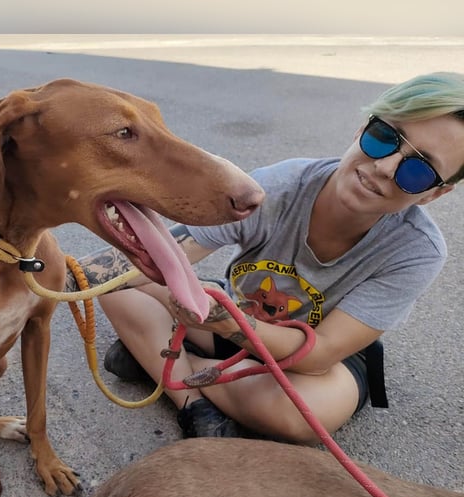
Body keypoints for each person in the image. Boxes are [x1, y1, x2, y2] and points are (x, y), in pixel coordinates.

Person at [67, 72, 464, 444]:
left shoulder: (416, 251)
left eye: (419, 170)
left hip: (311, 361)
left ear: (434, 194)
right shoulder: (280, 186)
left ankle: (161, 359)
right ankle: (190, 401)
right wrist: (55, 276)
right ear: (362, 128)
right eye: (384, 136)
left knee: (304, 416)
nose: (384, 167)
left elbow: (320, 354)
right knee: (118, 285)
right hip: (237, 316)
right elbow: (155, 256)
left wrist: (221, 323)